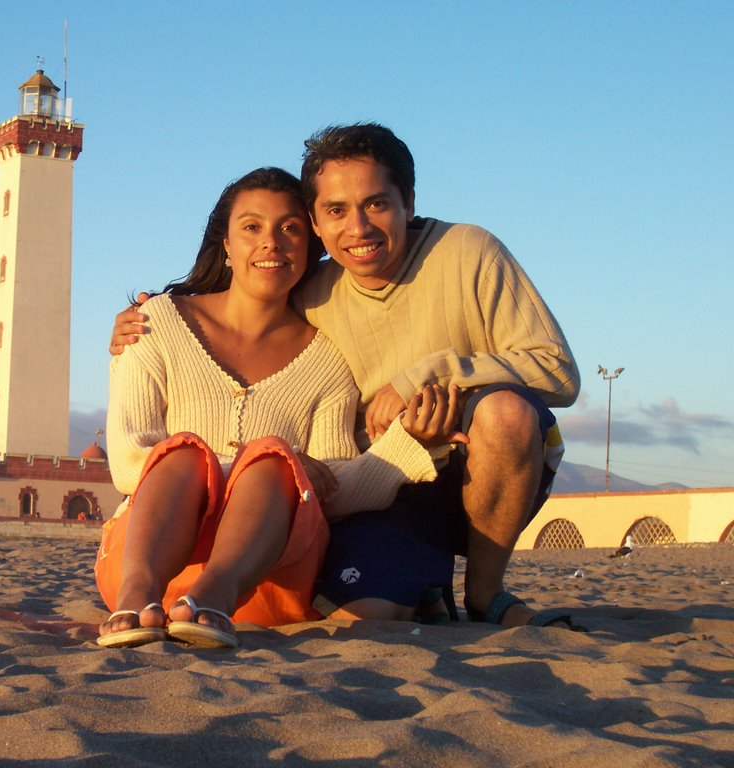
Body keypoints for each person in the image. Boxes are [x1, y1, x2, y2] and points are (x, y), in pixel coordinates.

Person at [111, 124, 581, 630]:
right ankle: (420, 585)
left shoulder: (461, 256)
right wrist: (284, 471)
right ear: (317, 222)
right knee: (364, 610)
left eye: (376, 203)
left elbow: (557, 370)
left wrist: (424, 381)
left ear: (408, 201)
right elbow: (134, 455)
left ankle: (485, 592)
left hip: (476, 466)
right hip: (373, 488)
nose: (358, 227)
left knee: (502, 412)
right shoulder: (193, 317)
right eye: (336, 210)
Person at [97, 167, 463, 649]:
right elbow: (127, 465)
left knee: (273, 460)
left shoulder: (328, 360)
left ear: (311, 247)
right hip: (144, 564)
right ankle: (140, 596)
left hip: (266, 582)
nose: (270, 243)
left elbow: (336, 486)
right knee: (190, 453)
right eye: (251, 227)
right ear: (226, 244)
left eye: (289, 229)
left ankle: (214, 594)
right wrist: (272, 462)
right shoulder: (155, 323)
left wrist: (407, 443)